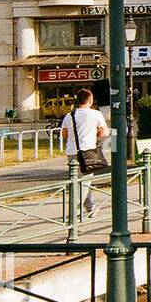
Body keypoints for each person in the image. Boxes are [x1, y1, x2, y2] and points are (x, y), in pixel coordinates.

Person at [60, 88, 108, 220]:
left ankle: (91, 207)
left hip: (71, 152)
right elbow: (105, 133)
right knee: (84, 182)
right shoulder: (96, 114)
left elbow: (64, 134)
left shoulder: (69, 115)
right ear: (90, 100)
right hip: (88, 152)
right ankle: (73, 212)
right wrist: (95, 134)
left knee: (79, 180)